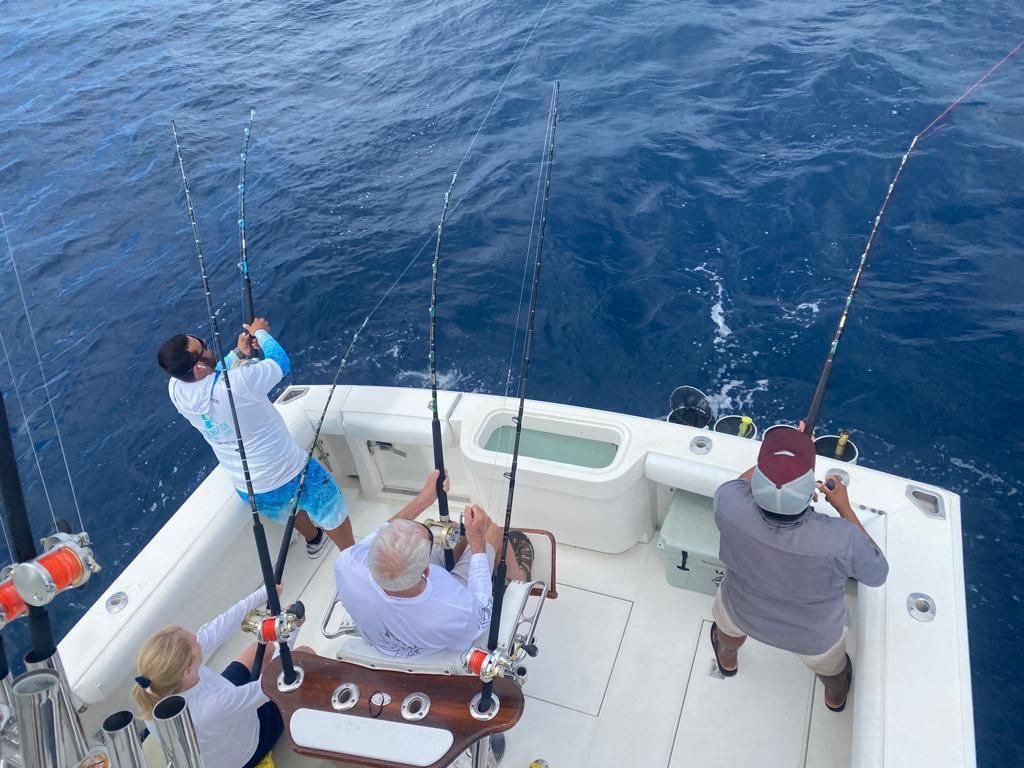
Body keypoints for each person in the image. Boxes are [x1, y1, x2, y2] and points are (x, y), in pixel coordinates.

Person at [710, 424, 888, 713]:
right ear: (810, 494)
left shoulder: (729, 503)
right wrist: (844, 507)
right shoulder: (841, 539)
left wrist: (784, 458)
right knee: (833, 675)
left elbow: (744, 482)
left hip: (740, 609)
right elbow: (878, 573)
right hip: (813, 636)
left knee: (727, 634)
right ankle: (835, 700)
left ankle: (728, 662)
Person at [157, 317, 353, 556]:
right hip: (289, 470)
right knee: (330, 509)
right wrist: (260, 333)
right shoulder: (239, 383)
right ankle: (353, 560)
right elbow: (280, 362)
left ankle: (315, 539)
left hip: (249, 485)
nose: (208, 346)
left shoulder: (176, 389)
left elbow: (211, 376)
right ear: (198, 368)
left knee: (292, 506)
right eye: (204, 347)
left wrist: (239, 355)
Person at [335, 470, 534, 658]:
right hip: (442, 630)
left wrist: (425, 499)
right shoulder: (455, 610)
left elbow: (385, 529)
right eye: (428, 539)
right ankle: (520, 576)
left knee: (456, 532)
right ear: (427, 570)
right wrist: (477, 545)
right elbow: (481, 612)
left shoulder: (347, 563)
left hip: (392, 640)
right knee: (491, 531)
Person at [131, 585, 314, 768]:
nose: (198, 639)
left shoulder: (157, 687)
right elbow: (273, 683)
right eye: (195, 641)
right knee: (304, 655)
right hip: (249, 746)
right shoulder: (212, 706)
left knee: (267, 646)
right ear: (186, 671)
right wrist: (290, 626)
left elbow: (219, 627)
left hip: (223, 709)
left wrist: (264, 593)